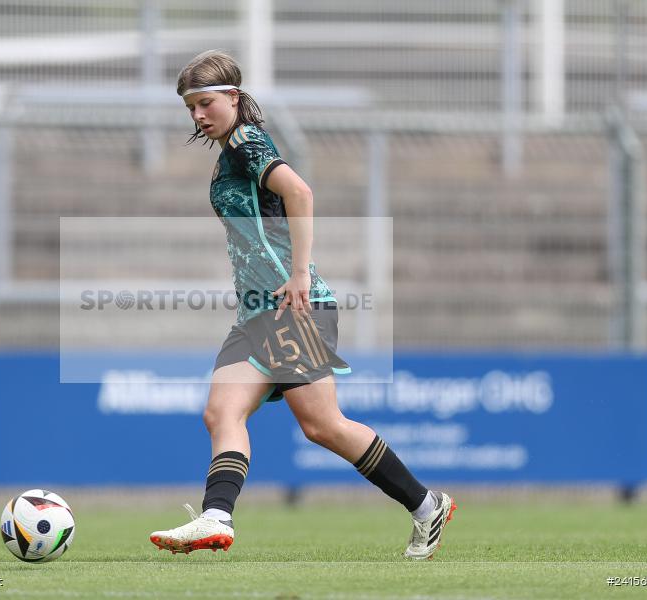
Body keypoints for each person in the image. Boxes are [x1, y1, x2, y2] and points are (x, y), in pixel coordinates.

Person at [149, 50, 456, 560]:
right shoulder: (231, 151)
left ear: (233, 98)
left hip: (291, 305)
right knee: (222, 411)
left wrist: (297, 277)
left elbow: (301, 193)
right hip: (257, 313)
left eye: (205, 104)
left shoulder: (247, 141)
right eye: (190, 109)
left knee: (323, 426)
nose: (198, 116)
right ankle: (216, 518)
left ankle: (427, 507)